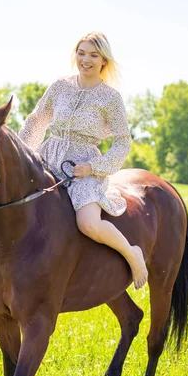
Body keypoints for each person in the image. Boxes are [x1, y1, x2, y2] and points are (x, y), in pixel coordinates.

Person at [18, 32, 148, 289]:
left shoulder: (110, 98)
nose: (85, 59)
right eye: (81, 53)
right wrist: (24, 154)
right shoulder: (59, 86)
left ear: (104, 61)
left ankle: (132, 253)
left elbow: (123, 141)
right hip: (48, 156)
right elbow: (37, 120)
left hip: (84, 166)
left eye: (93, 55)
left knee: (88, 223)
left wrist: (94, 168)